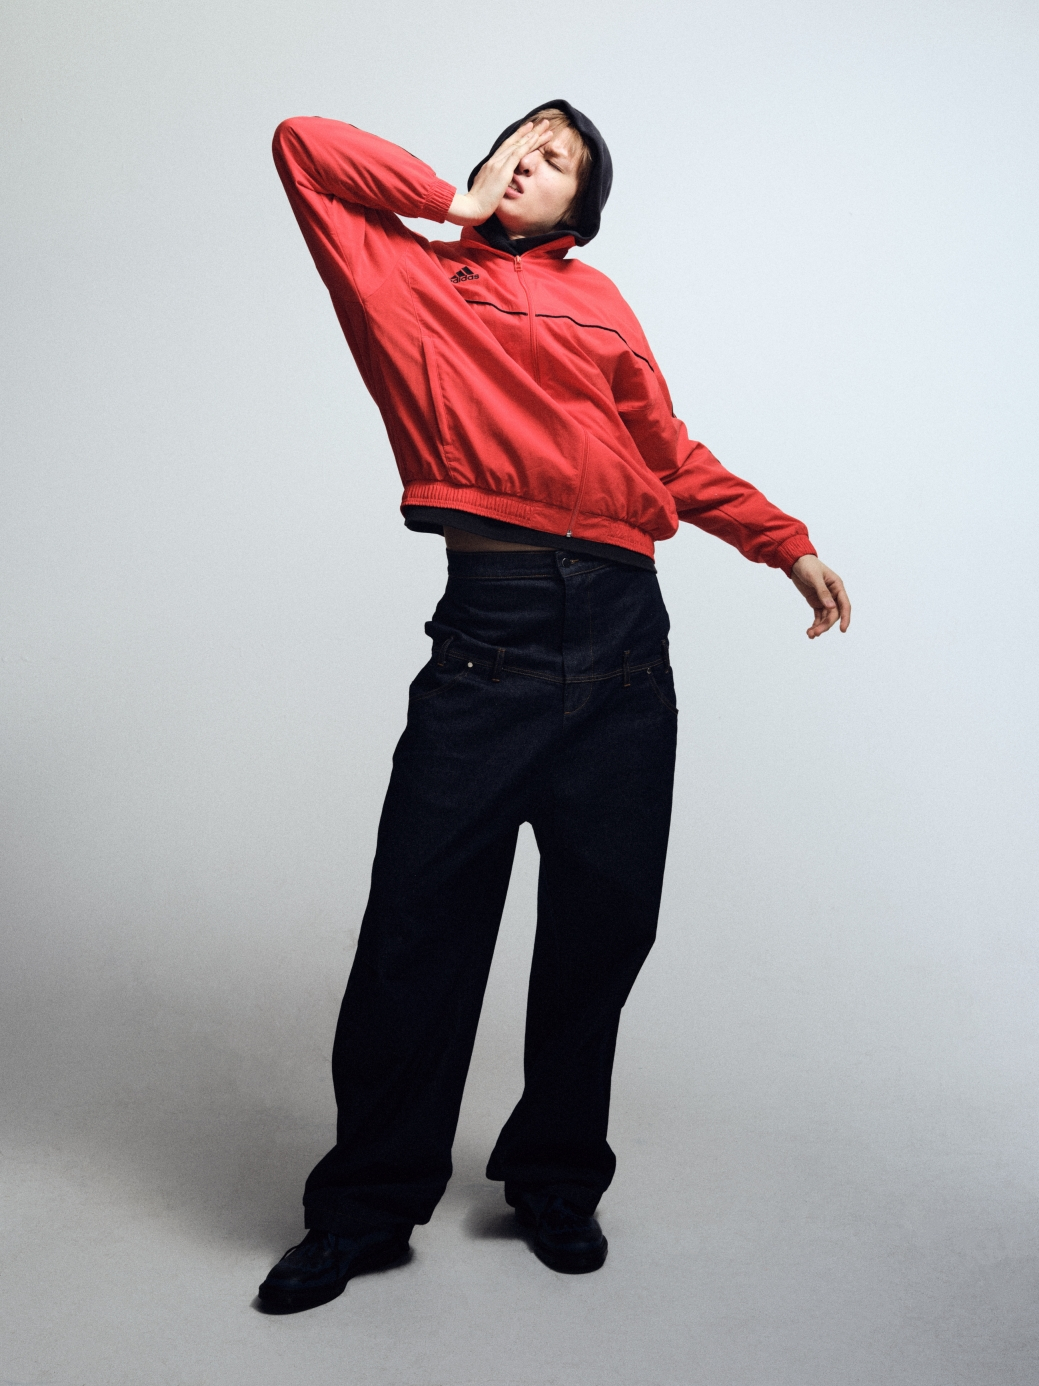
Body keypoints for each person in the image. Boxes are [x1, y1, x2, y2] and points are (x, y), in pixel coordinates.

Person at [259, 100, 851, 1313]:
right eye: (524, 141)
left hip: (628, 644)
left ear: (584, 207)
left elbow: (665, 454)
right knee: (416, 936)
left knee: (602, 933)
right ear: (487, 165)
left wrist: (781, 541)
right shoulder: (404, 275)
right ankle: (366, 1209)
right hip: (491, 645)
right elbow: (303, 144)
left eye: (563, 159)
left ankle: (555, 1179)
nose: (537, 157)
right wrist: (452, 201)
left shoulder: (603, 300)